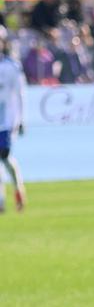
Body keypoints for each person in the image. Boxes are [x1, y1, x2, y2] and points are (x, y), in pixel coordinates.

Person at [0, 37, 27, 213]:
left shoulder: (11, 67)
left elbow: (20, 93)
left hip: (5, 122)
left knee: (5, 158)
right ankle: (1, 202)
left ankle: (18, 188)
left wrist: (21, 119)